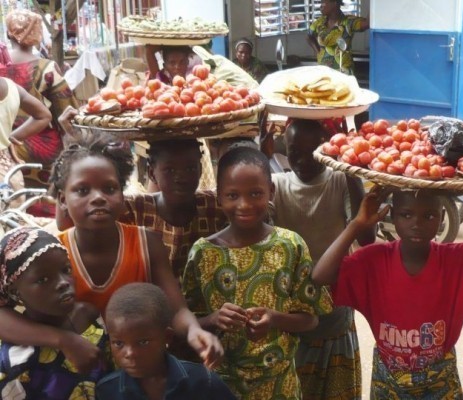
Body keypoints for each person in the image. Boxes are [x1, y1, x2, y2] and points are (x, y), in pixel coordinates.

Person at [0, 135, 223, 375]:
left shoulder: (146, 243)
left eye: (109, 188)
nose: (97, 197)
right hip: (73, 374)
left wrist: (193, 331)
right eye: (82, 190)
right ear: (63, 200)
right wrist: (63, 339)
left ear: (122, 195)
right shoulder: (51, 250)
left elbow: (176, 308)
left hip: (137, 370)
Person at [312, 187, 463, 398]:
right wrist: (357, 224)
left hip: (440, 380)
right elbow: (320, 276)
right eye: (406, 215)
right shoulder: (373, 262)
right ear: (392, 215)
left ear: (442, 217)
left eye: (428, 215)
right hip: (388, 380)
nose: (417, 224)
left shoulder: (458, 262)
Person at [182, 146, 332, 399]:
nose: (244, 204)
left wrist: (274, 318)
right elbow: (186, 324)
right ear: (219, 197)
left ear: (271, 192)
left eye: (255, 193)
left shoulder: (290, 245)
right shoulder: (203, 253)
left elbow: (312, 319)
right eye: (232, 195)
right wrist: (213, 319)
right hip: (221, 387)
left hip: (280, 386)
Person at [261, 118, 375, 399]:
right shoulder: (275, 185)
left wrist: (348, 165)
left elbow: (367, 236)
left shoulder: (340, 179)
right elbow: (259, 230)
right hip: (290, 310)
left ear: (327, 148)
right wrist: (262, 157)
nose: (303, 159)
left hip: (335, 306)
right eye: (294, 151)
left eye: (314, 151)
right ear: (283, 149)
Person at [0, 227, 111, 399]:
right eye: (43, 279)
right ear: (16, 293)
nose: (63, 283)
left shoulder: (90, 316)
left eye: (66, 270)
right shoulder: (16, 359)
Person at [96, 282, 236, 399]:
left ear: (167, 337)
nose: (130, 353)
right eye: (119, 343)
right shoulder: (107, 391)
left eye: (143, 342)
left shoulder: (203, 381)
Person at [120, 139, 227, 279]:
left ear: (200, 170)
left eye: (190, 168)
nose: (180, 178)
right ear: (152, 173)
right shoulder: (134, 210)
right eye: (169, 170)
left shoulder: (215, 206)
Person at [5, 9, 79, 190]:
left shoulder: (1, 69)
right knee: (46, 211)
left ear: (9, 33)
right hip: (43, 154)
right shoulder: (47, 68)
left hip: (5, 154)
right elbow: (66, 111)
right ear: (38, 34)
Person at [0, 76, 51, 207]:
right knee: (12, 223)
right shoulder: (11, 87)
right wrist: (9, 138)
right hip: (8, 174)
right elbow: (44, 115)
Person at [307, 0, 369, 75]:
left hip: (343, 72)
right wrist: (318, 52)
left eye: (323, 3)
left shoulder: (348, 22)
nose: (320, 6)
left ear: (335, 3)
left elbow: (367, 23)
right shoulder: (319, 23)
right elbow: (309, 36)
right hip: (324, 72)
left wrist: (375, 4)